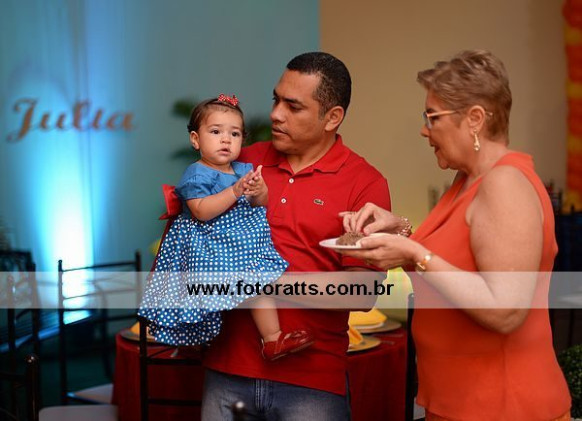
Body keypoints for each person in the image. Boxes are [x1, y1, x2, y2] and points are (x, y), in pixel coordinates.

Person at [339, 49, 571, 421]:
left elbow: (506, 310)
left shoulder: (504, 184)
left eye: (432, 117)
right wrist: (400, 230)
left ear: (475, 118)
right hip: (459, 403)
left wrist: (414, 253)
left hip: (503, 405)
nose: (424, 129)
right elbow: (456, 263)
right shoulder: (467, 180)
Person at [201, 52, 392, 420]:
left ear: (332, 117)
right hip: (227, 371)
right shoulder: (242, 162)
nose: (275, 114)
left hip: (312, 383)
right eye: (276, 100)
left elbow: (362, 291)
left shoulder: (364, 183)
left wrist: (267, 280)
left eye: (293, 106)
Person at [138, 95, 314, 361]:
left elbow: (259, 204)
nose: (226, 140)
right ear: (196, 139)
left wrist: (259, 191)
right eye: (216, 132)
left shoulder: (242, 170)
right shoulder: (197, 173)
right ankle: (192, 342)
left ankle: (273, 339)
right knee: (201, 296)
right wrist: (234, 191)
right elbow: (201, 211)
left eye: (234, 133)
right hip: (207, 246)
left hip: (238, 246)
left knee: (258, 283)